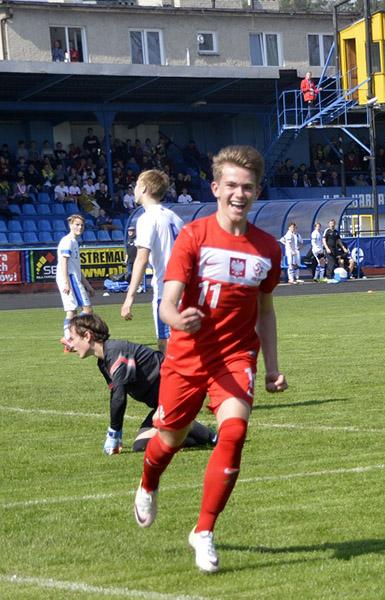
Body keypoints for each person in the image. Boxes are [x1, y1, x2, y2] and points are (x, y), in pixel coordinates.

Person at [132, 145, 287, 574]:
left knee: (233, 433)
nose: (240, 194)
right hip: (187, 356)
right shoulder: (194, 236)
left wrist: (273, 367)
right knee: (170, 438)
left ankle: (203, 531)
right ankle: (148, 482)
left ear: (257, 192)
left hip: (235, 357)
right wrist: (177, 319)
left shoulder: (267, 249)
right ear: (216, 188)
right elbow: (168, 302)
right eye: (232, 185)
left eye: (248, 187)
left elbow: (266, 310)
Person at [68, 314, 216, 455]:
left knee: (159, 420)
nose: (70, 345)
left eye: (72, 338)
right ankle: (192, 433)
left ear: (87, 336)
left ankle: (209, 435)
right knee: (141, 445)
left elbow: (119, 397)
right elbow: (116, 393)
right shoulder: (103, 363)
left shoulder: (117, 352)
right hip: (162, 406)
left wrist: (114, 433)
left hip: (181, 394)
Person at [120, 170, 185, 352]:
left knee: (166, 346)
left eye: (136, 184)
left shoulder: (147, 218)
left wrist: (129, 298)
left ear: (143, 188)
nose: (134, 189)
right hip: (185, 289)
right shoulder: (174, 217)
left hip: (166, 292)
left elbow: (141, 258)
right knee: (185, 346)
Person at [57, 214, 94, 351]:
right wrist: (66, 282)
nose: (80, 227)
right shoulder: (67, 241)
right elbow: (63, 262)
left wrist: (88, 286)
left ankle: (69, 339)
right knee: (86, 310)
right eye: (77, 224)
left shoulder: (74, 242)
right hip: (69, 278)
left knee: (72, 311)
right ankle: (69, 338)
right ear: (70, 225)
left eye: (82, 225)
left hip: (73, 278)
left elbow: (76, 267)